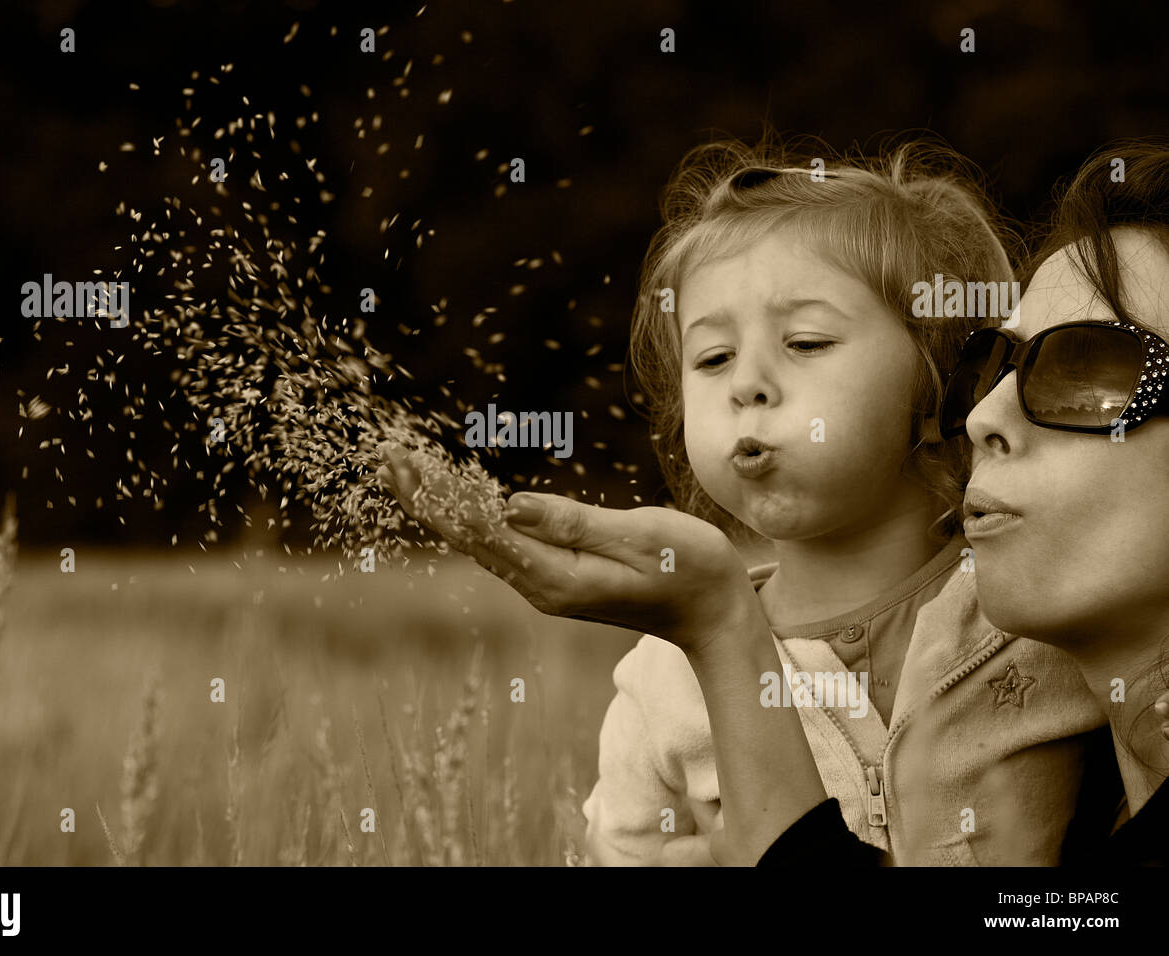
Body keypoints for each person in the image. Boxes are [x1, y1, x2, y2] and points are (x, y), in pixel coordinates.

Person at [374, 133, 1107, 866]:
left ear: (938, 383)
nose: (745, 384)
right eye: (713, 357)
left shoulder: (1038, 615)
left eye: (807, 342)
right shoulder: (665, 677)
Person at [754, 142, 1169, 867]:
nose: (984, 419)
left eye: (1082, 367)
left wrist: (722, 636)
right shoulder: (1056, 816)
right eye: (994, 366)